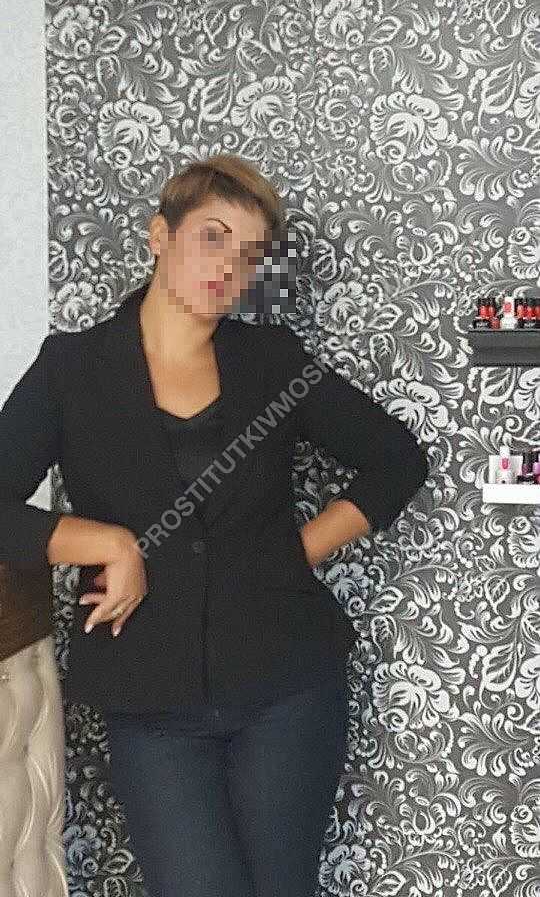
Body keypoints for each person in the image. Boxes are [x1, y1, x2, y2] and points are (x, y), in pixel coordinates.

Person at [0, 155, 429, 897]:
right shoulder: (72, 368)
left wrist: (296, 551)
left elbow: (397, 459)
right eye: (212, 237)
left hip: (289, 685)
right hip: (150, 697)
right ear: (159, 236)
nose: (230, 267)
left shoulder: (272, 363)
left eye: (250, 254)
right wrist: (107, 542)